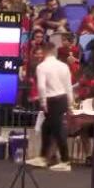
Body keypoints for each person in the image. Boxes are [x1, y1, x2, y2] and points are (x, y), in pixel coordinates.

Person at [29, 41, 73, 172]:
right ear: (55, 51)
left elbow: (41, 86)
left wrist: (43, 102)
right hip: (62, 98)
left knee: (58, 131)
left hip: (52, 100)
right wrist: (70, 103)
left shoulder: (41, 67)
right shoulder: (64, 66)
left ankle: (65, 161)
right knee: (46, 127)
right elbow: (68, 86)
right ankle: (43, 157)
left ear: (44, 52)